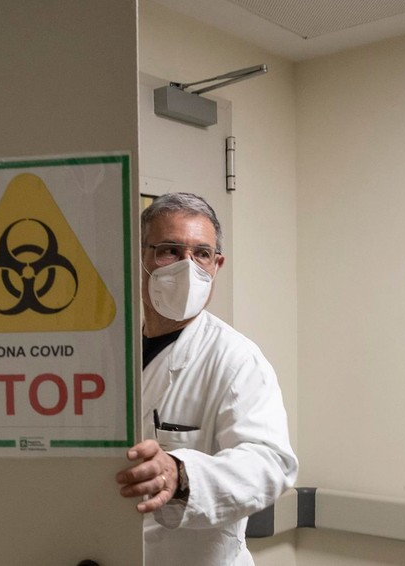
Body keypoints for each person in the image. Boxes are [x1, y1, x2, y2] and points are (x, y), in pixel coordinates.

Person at [115, 192, 298, 565]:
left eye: (201, 254)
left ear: (217, 264)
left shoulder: (236, 359)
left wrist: (180, 474)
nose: (187, 267)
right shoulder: (113, 349)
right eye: (169, 251)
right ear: (140, 258)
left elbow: (270, 464)